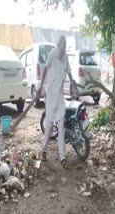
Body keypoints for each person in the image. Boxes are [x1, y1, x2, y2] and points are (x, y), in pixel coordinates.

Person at [37, 35, 77, 169]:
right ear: (58, 46)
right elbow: (44, 70)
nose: (63, 51)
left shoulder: (65, 58)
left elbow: (70, 73)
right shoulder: (52, 54)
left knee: (61, 128)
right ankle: (44, 150)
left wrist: (73, 86)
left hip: (59, 97)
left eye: (65, 49)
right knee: (48, 126)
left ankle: (62, 157)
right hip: (50, 96)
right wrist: (41, 88)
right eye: (62, 49)